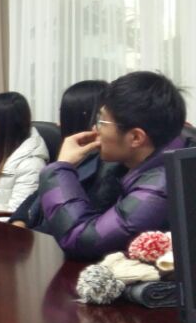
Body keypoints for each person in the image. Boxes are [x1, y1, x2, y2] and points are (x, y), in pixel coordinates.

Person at [38, 71, 190, 260]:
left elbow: (82, 240)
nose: (95, 129)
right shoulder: (146, 157)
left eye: (101, 121)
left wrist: (61, 168)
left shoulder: (161, 188)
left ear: (135, 137)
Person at [9, 81, 126, 230]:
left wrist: (61, 167)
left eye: (64, 116)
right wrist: (20, 221)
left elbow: (68, 224)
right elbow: (38, 194)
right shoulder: (77, 157)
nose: (58, 124)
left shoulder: (104, 167)